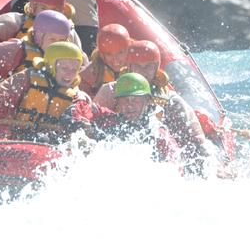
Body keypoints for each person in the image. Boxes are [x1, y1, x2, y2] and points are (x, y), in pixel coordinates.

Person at [93, 40, 227, 169]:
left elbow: (196, 139)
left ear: (156, 67)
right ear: (129, 66)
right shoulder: (110, 91)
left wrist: (212, 166)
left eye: (148, 66)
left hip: (159, 152)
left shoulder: (170, 99)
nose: (142, 71)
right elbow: (91, 121)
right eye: (137, 66)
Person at [0, 42, 88, 143]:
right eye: (64, 68)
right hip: (12, 133)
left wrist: (78, 124)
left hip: (44, 140)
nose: (70, 74)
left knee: (48, 139)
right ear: (51, 66)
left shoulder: (76, 96)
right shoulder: (26, 79)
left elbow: (82, 117)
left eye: (74, 69)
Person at [61, 72, 180, 163]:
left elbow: (174, 170)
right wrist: (80, 101)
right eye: (125, 100)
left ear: (147, 101)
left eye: (136, 100)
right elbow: (73, 114)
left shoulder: (158, 135)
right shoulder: (107, 117)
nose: (130, 105)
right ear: (117, 102)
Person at [79, 24, 131, 97]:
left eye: (120, 53)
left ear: (128, 50)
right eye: (109, 54)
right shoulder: (88, 76)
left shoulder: (135, 66)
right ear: (102, 55)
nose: (115, 60)